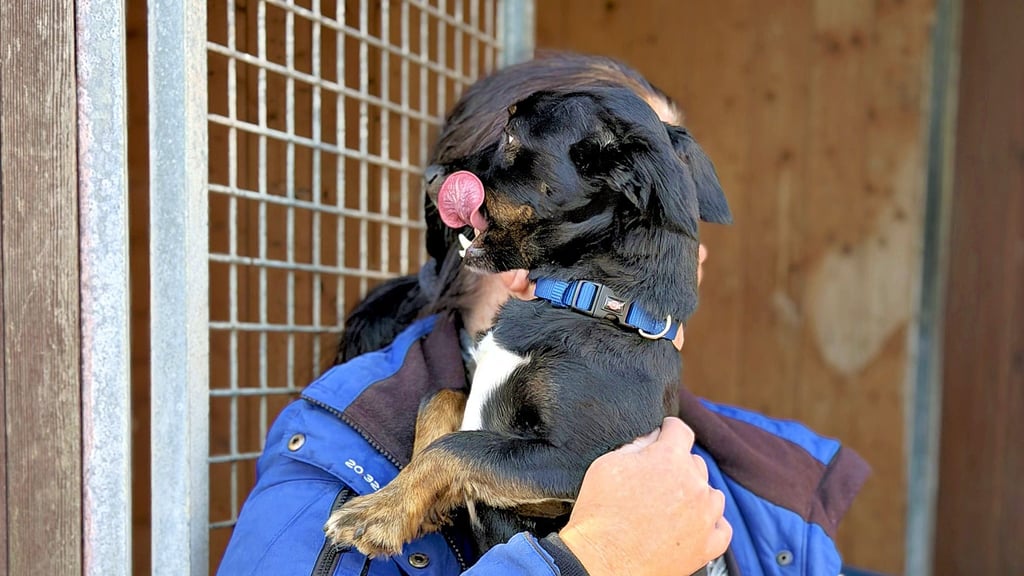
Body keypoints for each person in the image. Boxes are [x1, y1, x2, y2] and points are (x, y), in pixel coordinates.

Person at [218, 53, 869, 576]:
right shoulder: (341, 455)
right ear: (480, 214)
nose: (686, 259)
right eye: (632, 211)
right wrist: (587, 561)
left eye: (681, 219)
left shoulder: (771, 479)